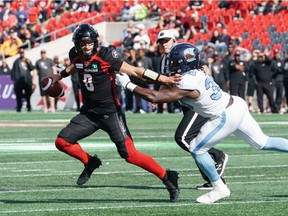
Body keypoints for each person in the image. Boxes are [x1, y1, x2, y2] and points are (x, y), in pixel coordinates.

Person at [116, 42, 288, 204]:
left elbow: (156, 97)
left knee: (197, 149)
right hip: (236, 104)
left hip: (224, 115)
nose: (171, 65)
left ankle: (219, 188)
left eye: (175, 62)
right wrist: (134, 73)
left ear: (184, 63)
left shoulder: (186, 81)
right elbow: (160, 82)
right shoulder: (196, 71)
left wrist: (128, 85)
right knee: (262, 142)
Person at [48, 24, 180, 202]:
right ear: (77, 44)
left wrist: (162, 78)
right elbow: (75, 65)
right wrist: (60, 75)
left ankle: (167, 177)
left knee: (130, 155)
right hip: (89, 113)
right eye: (82, 43)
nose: (86, 46)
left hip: (111, 113)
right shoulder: (75, 54)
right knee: (62, 142)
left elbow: (135, 70)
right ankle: (90, 162)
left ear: (95, 42)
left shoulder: (106, 55)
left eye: (89, 43)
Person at [156, 30, 228, 190]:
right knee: (195, 140)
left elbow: (202, 67)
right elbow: (165, 79)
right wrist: (158, 96)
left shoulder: (184, 51)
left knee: (183, 138)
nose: (164, 44)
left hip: (198, 101)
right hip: (186, 103)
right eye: (161, 42)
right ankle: (214, 180)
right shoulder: (164, 60)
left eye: (166, 40)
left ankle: (217, 156)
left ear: (174, 40)